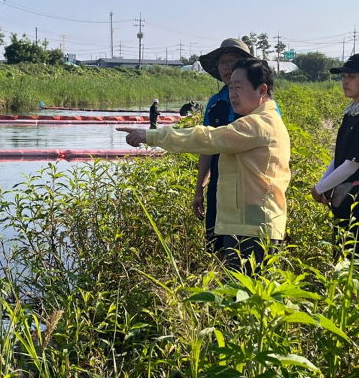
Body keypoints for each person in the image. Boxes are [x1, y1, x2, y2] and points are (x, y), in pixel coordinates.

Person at [118, 59, 290, 274]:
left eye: (239, 87)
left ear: (262, 90)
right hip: (246, 223)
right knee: (242, 297)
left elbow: (207, 138)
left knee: (245, 297)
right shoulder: (259, 120)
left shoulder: (259, 124)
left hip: (253, 227)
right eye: (230, 87)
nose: (233, 93)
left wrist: (151, 135)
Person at [311, 53, 359, 262]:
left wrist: (319, 189)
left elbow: (352, 164)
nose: (345, 81)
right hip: (344, 197)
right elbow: (341, 158)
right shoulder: (354, 112)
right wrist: (324, 184)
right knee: (341, 260)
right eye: (344, 76)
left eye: (351, 76)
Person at [193, 38, 256, 254]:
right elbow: (206, 146)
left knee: (249, 242)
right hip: (220, 178)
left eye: (233, 61)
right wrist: (199, 187)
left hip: (250, 178)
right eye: (222, 62)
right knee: (217, 241)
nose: (227, 67)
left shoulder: (260, 101)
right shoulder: (215, 102)